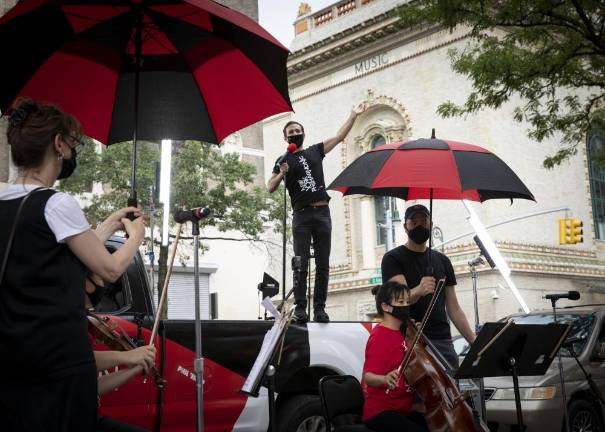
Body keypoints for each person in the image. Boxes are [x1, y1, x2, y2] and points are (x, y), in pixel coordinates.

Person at [0, 98, 146, 432]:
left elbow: (53, 252)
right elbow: (108, 269)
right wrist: (135, 236)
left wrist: (107, 226)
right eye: (73, 143)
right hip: (60, 366)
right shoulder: (56, 203)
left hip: (15, 367)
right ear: (59, 144)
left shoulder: (9, 203)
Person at [267, 102, 369, 323]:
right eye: (291, 133)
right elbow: (270, 186)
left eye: (297, 131)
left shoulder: (315, 150)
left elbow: (340, 136)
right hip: (301, 216)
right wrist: (280, 173)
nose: (295, 134)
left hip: (322, 213)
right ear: (286, 139)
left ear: (303, 133)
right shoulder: (282, 160)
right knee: (300, 262)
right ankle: (301, 307)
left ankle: (320, 308)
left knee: (323, 264)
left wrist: (353, 115)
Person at [381, 204, 475, 370]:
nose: (419, 226)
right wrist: (419, 290)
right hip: (412, 339)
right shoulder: (393, 258)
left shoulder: (443, 261)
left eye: (424, 222)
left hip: (443, 341)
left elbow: (454, 308)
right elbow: (398, 300)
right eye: (414, 222)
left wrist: (473, 340)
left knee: (451, 392)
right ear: (405, 226)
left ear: (431, 225)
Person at [86, 273, 155, 432]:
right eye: (98, 275)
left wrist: (136, 367)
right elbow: (79, 360)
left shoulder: (82, 319)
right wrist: (127, 356)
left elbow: (91, 387)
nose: (103, 282)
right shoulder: (66, 322)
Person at [362, 281, 428, 432]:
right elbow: (368, 377)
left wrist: (414, 339)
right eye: (400, 302)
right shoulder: (379, 337)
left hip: (402, 408)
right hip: (381, 412)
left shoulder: (401, 334)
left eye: (407, 301)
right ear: (385, 307)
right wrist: (384, 379)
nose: (405, 306)